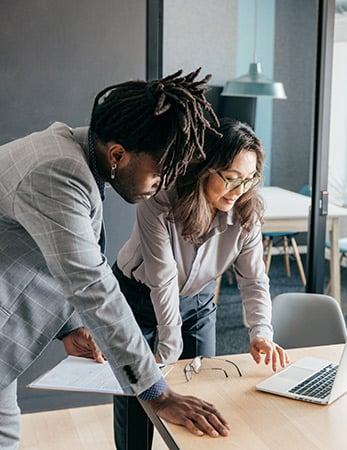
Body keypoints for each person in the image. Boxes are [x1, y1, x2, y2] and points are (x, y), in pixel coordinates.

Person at [0, 69, 231, 450]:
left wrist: (69, 327)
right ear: (119, 155)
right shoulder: (59, 173)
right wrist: (158, 394)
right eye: (159, 174)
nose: (162, 185)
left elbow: (52, 250)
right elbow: (92, 285)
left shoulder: (73, 153)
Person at [112, 118, 290, 449]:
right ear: (203, 168)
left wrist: (261, 333)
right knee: (142, 396)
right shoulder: (160, 203)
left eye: (249, 180)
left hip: (198, 302)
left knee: (202, 394)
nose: (239, 191)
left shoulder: (246, 213)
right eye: (231, 179)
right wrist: (167, 351)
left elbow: (253, 279)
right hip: (137, 299)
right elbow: (162, 279)